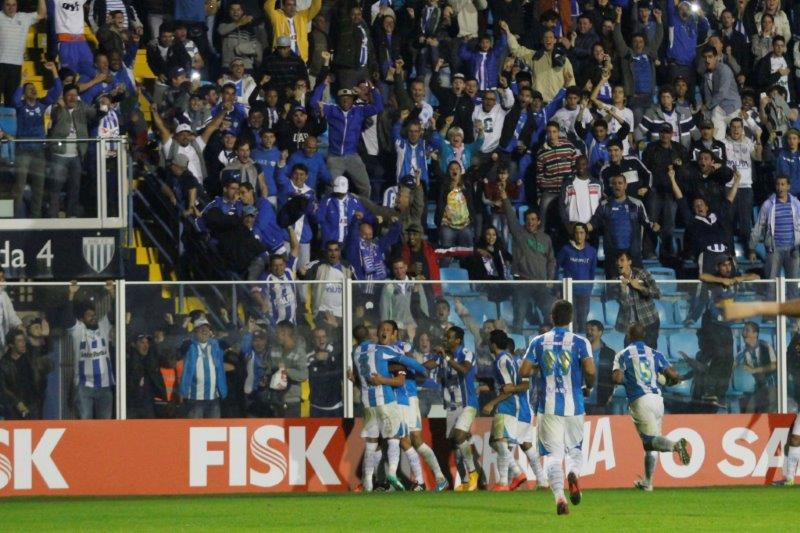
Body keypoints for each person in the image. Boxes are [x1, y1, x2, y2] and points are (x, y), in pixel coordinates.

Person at [521, 300, 596, 515]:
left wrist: (539, 367)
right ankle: (573, 472)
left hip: (548, 407)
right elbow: (590, 371)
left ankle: (560, 498)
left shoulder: (538, 341)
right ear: (571, 319)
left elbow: (523, 371)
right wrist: (588, 387)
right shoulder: (580, 342)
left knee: (553, 455)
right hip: (574, 406)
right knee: (575, 449)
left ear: (552, 318)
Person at [612, 322, 692, 492]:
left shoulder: (623, 354)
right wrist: (670, 380)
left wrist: (626, 379)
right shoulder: (655, 353)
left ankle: (675, 446)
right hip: (657, 400)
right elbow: (673, 374)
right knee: (651, 443)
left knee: (650, 441)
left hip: (640, 400)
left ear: (628, 336)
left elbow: (617, 378)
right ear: (644, 336)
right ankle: (647, 482)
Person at [352, 320, 427, 492]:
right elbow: (408, 366)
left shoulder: (356, 352)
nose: (384, 332)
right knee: (394, 438)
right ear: (374, 334)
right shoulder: (383, 350)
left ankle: (369, 483)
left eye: (387, 330)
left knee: (373, 443)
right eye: (382, 329)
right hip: (387, 400)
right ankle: (392, 474)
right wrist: (423, 370)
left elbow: (361, 377)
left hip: (370, 403)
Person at [310, 77, 383, 197]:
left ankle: (359, 207)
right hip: (335, 157)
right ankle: (330, 207)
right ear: (338, 100)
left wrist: (373, 89)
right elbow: (313, 103)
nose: (345, 100)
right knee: (330, 188)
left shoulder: (359, 111)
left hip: (352, 156)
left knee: (366, 187)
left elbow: (378, 107)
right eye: (342, 98)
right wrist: (323, 84)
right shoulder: (332, 110)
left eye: (348, 98)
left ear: (352, 100)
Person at [428, 326, 480, 491]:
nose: (445, 339)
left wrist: (446, 357)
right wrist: (410, 367)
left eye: (449, 337)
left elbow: (464, 369)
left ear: (458, 340)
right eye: (445, 336)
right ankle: (465, 482)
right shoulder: (442, 356)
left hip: (467, 404)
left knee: (459, 437)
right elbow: (428, 365)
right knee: (457, 447)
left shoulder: (466, 353)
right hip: (451, 407)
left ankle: (473, 473)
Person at [480, 330, 527, 491]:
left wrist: (491, 403)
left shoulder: (501, 361)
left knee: (499, 442)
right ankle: (505, 481)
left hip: (506, 404)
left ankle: (514, 475)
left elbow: (508, 388)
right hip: (512, 403)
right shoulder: (510, 358)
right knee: (497, 442)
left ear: (493, 344)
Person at [67, 281, 115, 420]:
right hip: (84, 386)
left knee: (105, 424)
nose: (93, 317)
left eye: (94, 315)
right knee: (85, 422)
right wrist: (71, 294)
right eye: (89, 315)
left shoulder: (103, 326)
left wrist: (112, 293)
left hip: (105, 385)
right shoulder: (79, 331)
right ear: (82, 319)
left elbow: (115, 314)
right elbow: (68, 318)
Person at [179, 317, 228, 418]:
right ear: (195, 331)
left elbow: (234, 339)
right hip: (195, 398)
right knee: (195, 427)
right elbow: (175, 345)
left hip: (214, 397)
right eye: (201, 328)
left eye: (206, 328)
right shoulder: (188, 346)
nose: (204, 331)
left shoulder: (217, 345)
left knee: (214, 427)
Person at [0, 0, 46, 106]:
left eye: (14, 5)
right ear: (2, 5)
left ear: (17, 6)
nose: (11, 8)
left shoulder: (24, 17)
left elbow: (41, 14)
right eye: (8, 5)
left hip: (16, 66)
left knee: (11, 101)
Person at [614, 252, 661, 349]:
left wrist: (639, 287)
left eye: (622, 260)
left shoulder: (642, 274)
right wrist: (623, 291)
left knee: (649, 352)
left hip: (648, 321)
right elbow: (624, 306)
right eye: (617, 260)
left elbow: (657, 293)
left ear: (629, 262)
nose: (618, 263)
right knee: (629, 352)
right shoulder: (616, 281)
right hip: (631, 325)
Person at [0, 329, 51, 420]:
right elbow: (3, 388)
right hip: (14, 408)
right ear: (11, 345)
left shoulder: (30, 356)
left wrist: (46, 336)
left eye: (23, 340)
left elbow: (45, 349)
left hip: (33, 404)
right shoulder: (3, 364)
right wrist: (17, 403)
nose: (23, 343)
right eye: (19, 341)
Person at [557, 223, 597, 334]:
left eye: (581, 233)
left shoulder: (592, 251)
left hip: (584, 292)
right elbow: (556, 266)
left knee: (583, 321)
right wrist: (557, 286)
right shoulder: (566, 250)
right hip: (569, 292)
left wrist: (589, 288)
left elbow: (592, 272)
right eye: (576, 233)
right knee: (571, 321)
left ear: (586, 235)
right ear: (573, 234)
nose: (579, 236)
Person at [267, 320, 308, 417]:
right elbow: (269, 368)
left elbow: (304, 375)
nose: (276, 335)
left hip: (291, 401)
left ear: (285, 333)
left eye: (277, 332)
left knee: (291, 427)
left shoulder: (299, 352)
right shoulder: (274, 349)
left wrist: (286, 371)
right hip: (275, 398)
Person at [735, 321, 777, 414]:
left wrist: (754, 370)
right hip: (755, 388)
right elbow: (735, 368)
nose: (744, 333)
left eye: (747, 330)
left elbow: (774, 366)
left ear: (755, 334)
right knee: (749, 411)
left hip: (770, 386)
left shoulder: (766, 346)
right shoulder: (742, 353)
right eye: (743, 330)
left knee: (767, 411)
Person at [126, 334, 166, 419]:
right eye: (142, 342)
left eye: (147, 343)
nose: (146, 345)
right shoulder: (127, 362)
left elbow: (169, 361)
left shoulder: (152, 360)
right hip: (131, 406)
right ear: (134, 344)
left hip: (148, 405)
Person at [306, 327, 343, 417]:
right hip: (316, 407)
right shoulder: (309, 356)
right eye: (317, 337)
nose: (321, 339)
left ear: (327, 338)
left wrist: (329, 358)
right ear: (313, 340)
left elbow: (342, 372)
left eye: (323, 336)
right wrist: (315, 358)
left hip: (335, 406)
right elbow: (302, 373)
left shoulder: (336, 352)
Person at [584, 320, 617, 415]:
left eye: (592, 330)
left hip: (602, 403)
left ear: (600, 332)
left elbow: (614, 376)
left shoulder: (610, 353)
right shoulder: (580, 351)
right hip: (582, 402)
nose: (589, 332)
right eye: (587, 330)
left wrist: (610, 395)